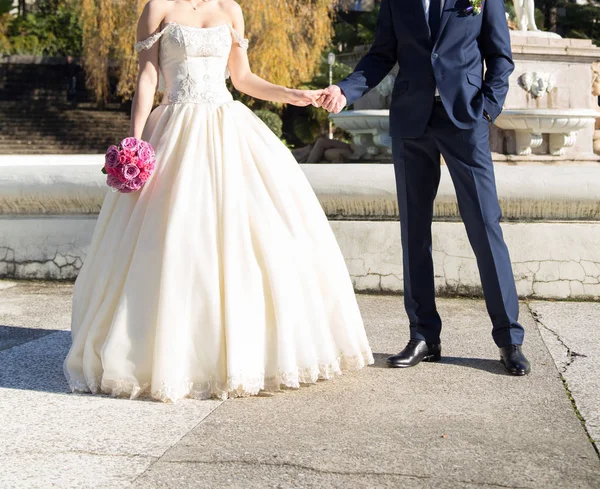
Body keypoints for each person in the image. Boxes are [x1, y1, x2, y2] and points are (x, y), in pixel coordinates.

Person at [63, 0, 374, 402]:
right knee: (171, 239)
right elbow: (147, 76)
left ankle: (238, 353)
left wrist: (289, 93)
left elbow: (242, 78)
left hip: (228, 126)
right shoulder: (157, 7)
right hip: (174, 128)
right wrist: (135, 145)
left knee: (248, 239)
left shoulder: (231, 9)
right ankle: (158, 350)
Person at [319, 0, 531, 375]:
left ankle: (509, 339)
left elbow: (500, 56)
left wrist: (487, 109)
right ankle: (423, 336)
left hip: (465, 120)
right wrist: (345, 90)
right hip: (411, 120)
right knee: (414, 230)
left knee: (484, 225)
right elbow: (380, 55)